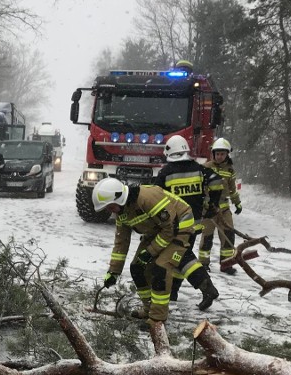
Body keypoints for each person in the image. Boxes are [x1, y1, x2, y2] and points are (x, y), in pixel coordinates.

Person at [92, 177, 219, 325]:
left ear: (119, 198)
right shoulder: (122, 213)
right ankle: (149, 309)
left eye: (110, 206)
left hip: (179, 225)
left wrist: (151, 251)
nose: (109, 211)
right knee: (137, 267)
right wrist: (114, 271)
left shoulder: (147, 198)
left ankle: (157, 319)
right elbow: (121, 243)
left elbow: (169, 229)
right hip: (158, 229)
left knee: (162, 267)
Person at [156, 134, 220, 303]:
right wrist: (213, 204)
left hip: (175, 227)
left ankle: (207, 287)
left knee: (181, 257)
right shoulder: (199, 169)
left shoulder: (166, 173)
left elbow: (156, 199)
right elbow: (217, 182)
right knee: (179, 258)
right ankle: (174, 292)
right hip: (194, 226)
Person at [198, 137, 242, 275]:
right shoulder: (206, 167)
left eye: (222, 154)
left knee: (228, 235)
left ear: (227, 154)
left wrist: (237, 203)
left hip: (224, 208)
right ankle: (203, 264)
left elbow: (232, 189)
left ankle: (226, 264)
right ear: (213, 154)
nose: (220, 156)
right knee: (207, 237)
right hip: (208, 209)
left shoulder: (230, 170)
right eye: (217, 154)